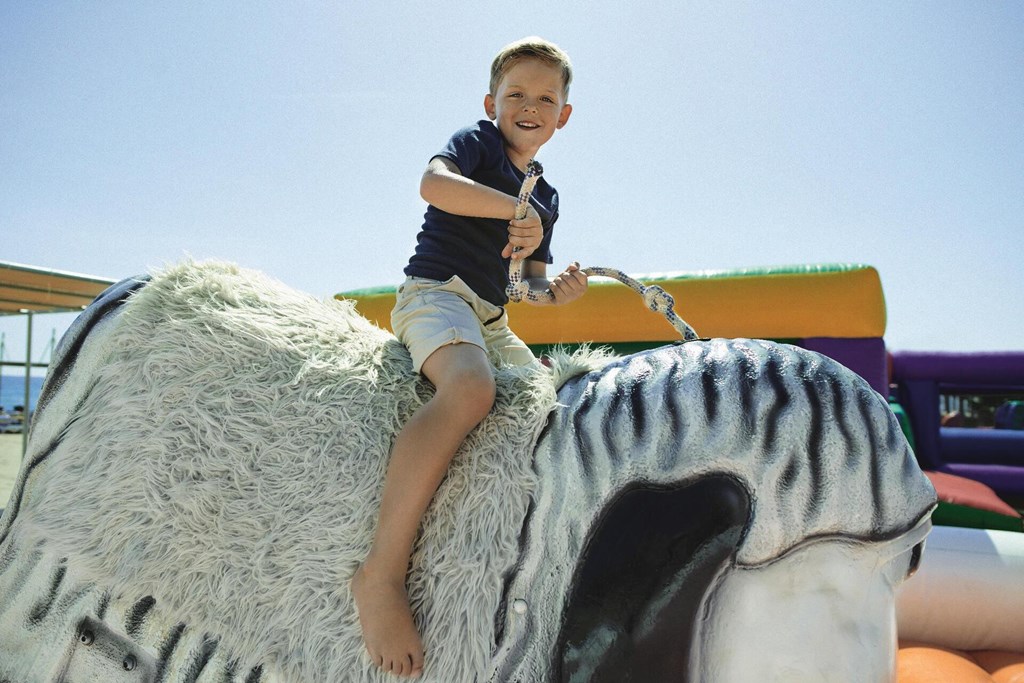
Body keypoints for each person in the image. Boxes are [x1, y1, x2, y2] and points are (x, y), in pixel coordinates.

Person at [351, 37, 587, 678]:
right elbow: (434, 185)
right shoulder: (477, 144)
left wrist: (554, 293)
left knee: (555, 405)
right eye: (516, 94)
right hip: (436, 296)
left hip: (490, 314)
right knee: (470, 391)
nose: (529, 105)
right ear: (492, 103)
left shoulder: (549, 197)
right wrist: (514, 207)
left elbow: (524, 288)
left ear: (563, 115)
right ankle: (380, 575)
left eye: (545, 98)